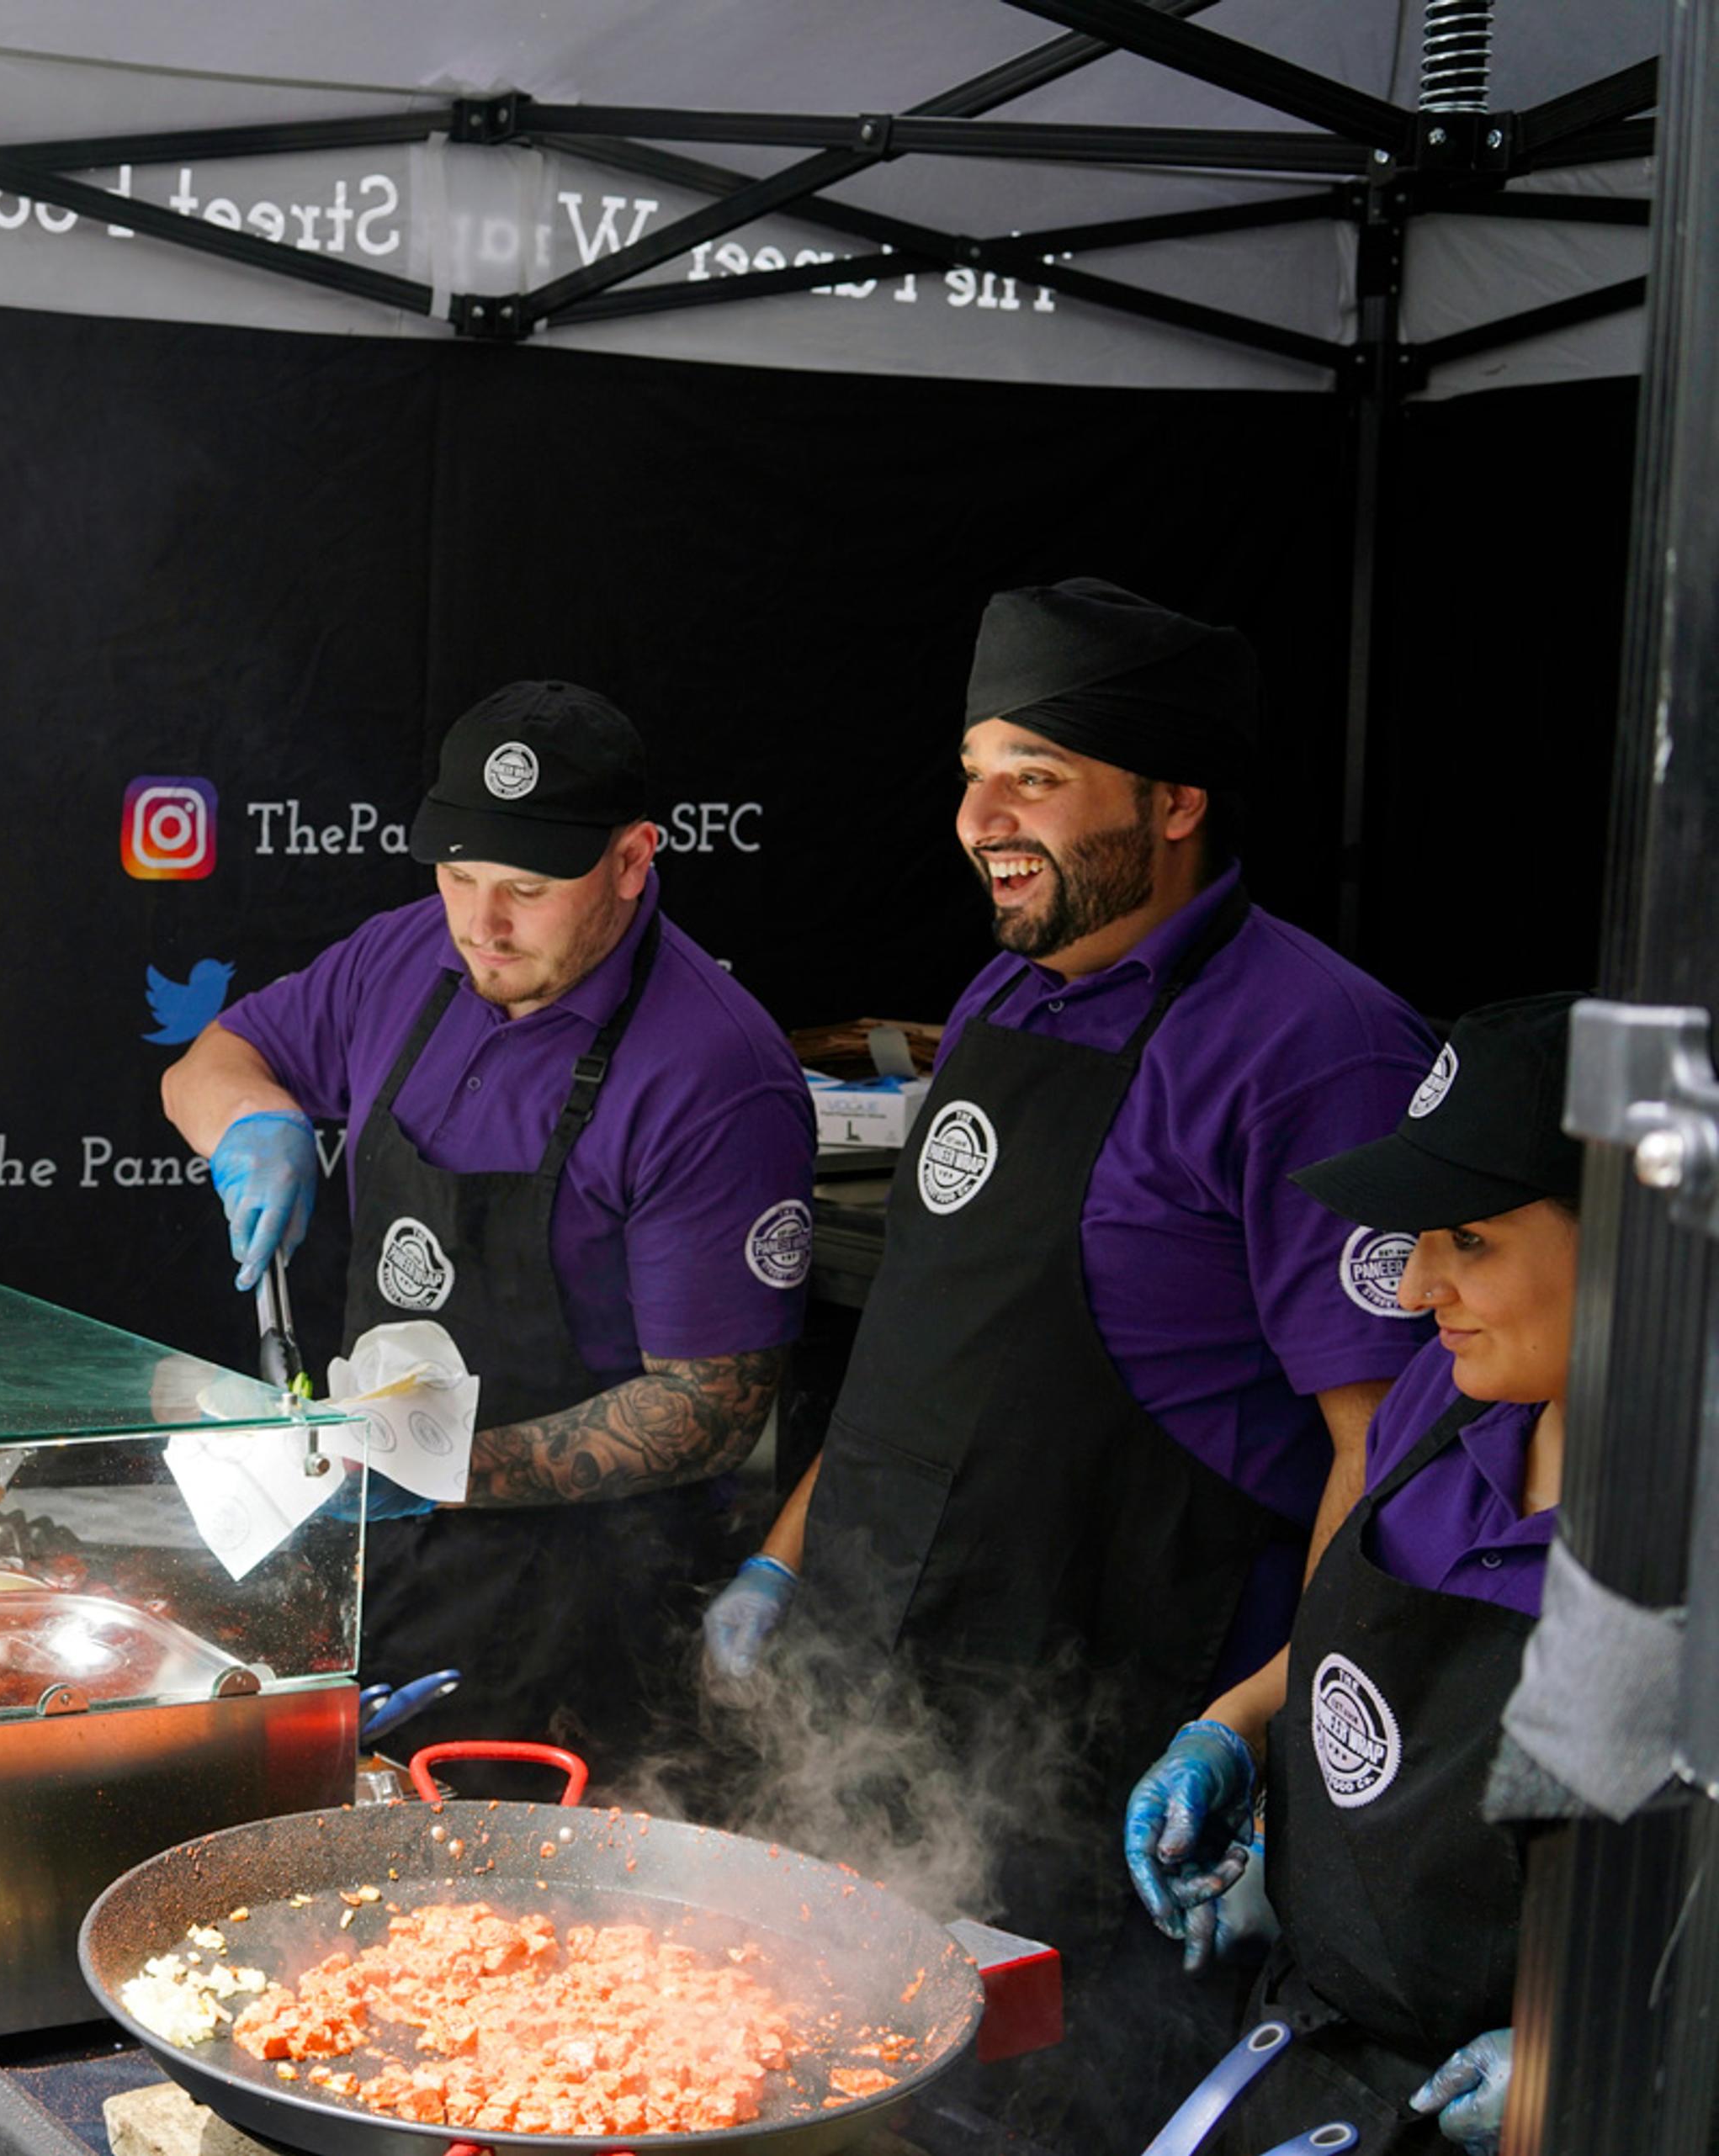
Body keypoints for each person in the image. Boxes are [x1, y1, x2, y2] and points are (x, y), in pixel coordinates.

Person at [703, 580, 1439, 2139]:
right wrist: (783, 1558)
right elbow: (920, 1350)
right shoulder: (1002, 991)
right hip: (875, 1702)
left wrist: (1269, 1738)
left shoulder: (1320, 1047)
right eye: (974, 772)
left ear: (1176, 801)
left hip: (1105, 1744)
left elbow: (1389, 1459)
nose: (979, 819)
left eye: (1033, 775)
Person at [160, 681, 814, 1774]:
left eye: (526, 888)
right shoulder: (405, 955)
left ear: (632, 859)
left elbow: (711, 1408)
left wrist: (444, 1464)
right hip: (380, 1554)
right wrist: (251, 1120)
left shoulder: (713, 1075)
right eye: (460, 875)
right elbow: (210, 1061)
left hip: (586, 1610)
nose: (482, 924)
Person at [1123, 994, 1587, 2156]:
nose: (1417, 1285)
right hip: (1325, 2042)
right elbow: (1367, 1640)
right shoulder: (1447, 1392)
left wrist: (1599, 2047)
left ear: (1646, 1241)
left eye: (1469, 1238)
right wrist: (1234, 1725)